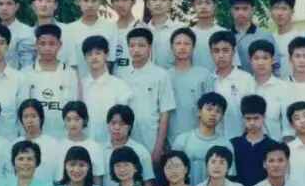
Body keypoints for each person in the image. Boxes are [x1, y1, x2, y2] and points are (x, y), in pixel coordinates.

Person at [116, 27, 176, 163]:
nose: (136, 50)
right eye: (132, 46)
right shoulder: (120, 74)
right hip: (125, 137)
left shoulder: (161, 75)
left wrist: (159, 147)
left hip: (151, 138)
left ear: (150, 47)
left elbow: (165, 113)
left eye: (141, 45)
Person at [21, 24, 77, 139]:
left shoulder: (70, 73)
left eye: (52, 44)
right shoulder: (26, 73)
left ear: (59, 45)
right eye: (42, 44)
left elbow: (74, 108)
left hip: (63, 137)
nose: (47, 48)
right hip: (34, 137)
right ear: (36, 45)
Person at [77, 36, 132, 144]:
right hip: (85, 145)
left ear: (106, 55)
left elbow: (124, 121)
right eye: (89, 54)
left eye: (98, 53)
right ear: (85, 58)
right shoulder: (80, 86)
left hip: (112, 145)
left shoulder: (120, 86)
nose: (94, 57)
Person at [171, 92, 232, 186]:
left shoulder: (226, 144)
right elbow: (172, 173)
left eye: (218, 111)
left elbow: (229, 178)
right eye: (209, 109)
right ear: (199, 112)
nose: (213, 114)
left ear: (222, 116)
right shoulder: (182, 140)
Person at [167, 27, 214, 144]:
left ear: (193, 47)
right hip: (171, 139)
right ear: (172, 47)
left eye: (187, 44)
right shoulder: (165, 76)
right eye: (178, 43)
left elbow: (211, 109)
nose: (182, 47)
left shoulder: (204, 74)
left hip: (199, 138)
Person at [62, 0, 117, 76]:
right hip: (77, 82)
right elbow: (71, 64)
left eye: (94, 1)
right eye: (86, 0)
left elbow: (110, 61)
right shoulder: (69, 30)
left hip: (103, 82)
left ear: (100, 1)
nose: (90, 5)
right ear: (78, 2)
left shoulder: (110, 27)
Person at [209, 30, 256, 140]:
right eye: (216, 51)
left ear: (233, 51)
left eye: (225, 50)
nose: (221, 55)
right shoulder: (208, 80)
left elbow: (253, 112)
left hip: (241, 139)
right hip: (213, 141)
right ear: (211, 53)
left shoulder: (246, 79)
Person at [230, 95, 280, 186]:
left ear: (264, 117)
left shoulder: (274, 146)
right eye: (248, 118)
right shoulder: (233, 144)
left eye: (256, 118)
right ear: (243, 118)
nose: (252, 122)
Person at [100, 105, 155, 186]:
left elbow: (148, 183)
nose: (116, 127)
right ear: (108, 124)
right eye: (113, 123)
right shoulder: (100, 150)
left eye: (121, 124)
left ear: (129, 127)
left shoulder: (141, 151)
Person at [248, 40, 290, 139]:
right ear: (250, 60)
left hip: (275, 145)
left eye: (265, 58)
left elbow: (288, 128)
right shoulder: (244, 85)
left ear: (273, 60)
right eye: (256, 58)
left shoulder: (284, 88)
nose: (261, 62)